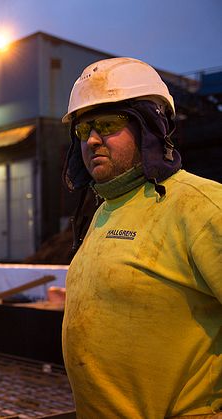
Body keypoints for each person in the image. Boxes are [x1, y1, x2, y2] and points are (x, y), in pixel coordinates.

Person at [61, 57, 222, 417]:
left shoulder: (202, 206)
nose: (93, 140)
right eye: (84, 130)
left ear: (150, 126)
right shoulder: (105, 210)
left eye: (108, 124)